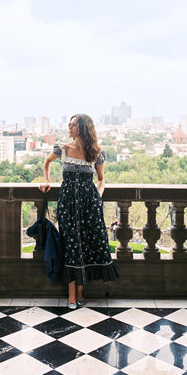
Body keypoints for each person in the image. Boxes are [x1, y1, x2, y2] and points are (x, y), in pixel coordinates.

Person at [39, 113, 121, 309]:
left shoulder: (96, 152)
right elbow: (47, 162)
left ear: (83, 128)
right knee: (70, 245)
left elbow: (101, 179)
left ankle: (81, 290)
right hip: (67, 204)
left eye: (74, 125)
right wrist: (47, 180)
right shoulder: (63, 149)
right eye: (69, 124)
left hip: (89, 205)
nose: (69, 127)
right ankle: (72, 294)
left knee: (87, 244)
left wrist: (97, 197)